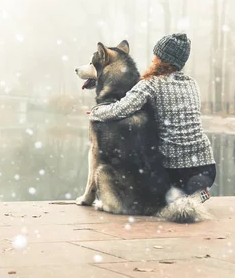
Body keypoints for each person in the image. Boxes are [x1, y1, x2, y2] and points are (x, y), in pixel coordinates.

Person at [89, 33, 216, 201]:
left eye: (156, 54)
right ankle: (197, 192)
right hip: (207, 168)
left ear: (160, 58)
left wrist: (95, 112)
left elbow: (120, 109)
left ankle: (180, 195)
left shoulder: (151, 84)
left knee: (149, 180)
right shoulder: (192, 83)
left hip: (175, 170)